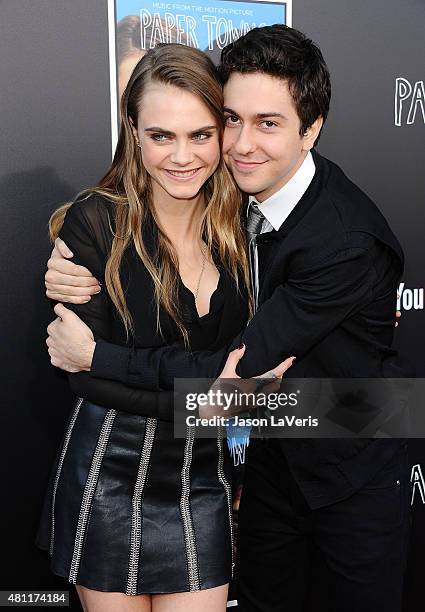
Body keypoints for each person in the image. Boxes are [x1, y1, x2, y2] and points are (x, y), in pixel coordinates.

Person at [44, 26, 410, 612]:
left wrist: (98, 356)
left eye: (268, 123)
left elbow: (238, 373)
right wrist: (66, 269)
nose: (241, 144)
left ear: (310, 129)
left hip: (346, 457)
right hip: (260, 463)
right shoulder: (231, 199)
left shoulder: (344, 241)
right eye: (232, 120)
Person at [37, 42, 292, 612]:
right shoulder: (96, 220)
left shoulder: (246, 230)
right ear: (133, 130)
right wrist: (218, 396)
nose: (182, 157)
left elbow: (253, 376)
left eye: (200, 135)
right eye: (161, 136)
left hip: (204, 481)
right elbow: (85, 385)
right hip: (106, 480)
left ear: (223, 134)